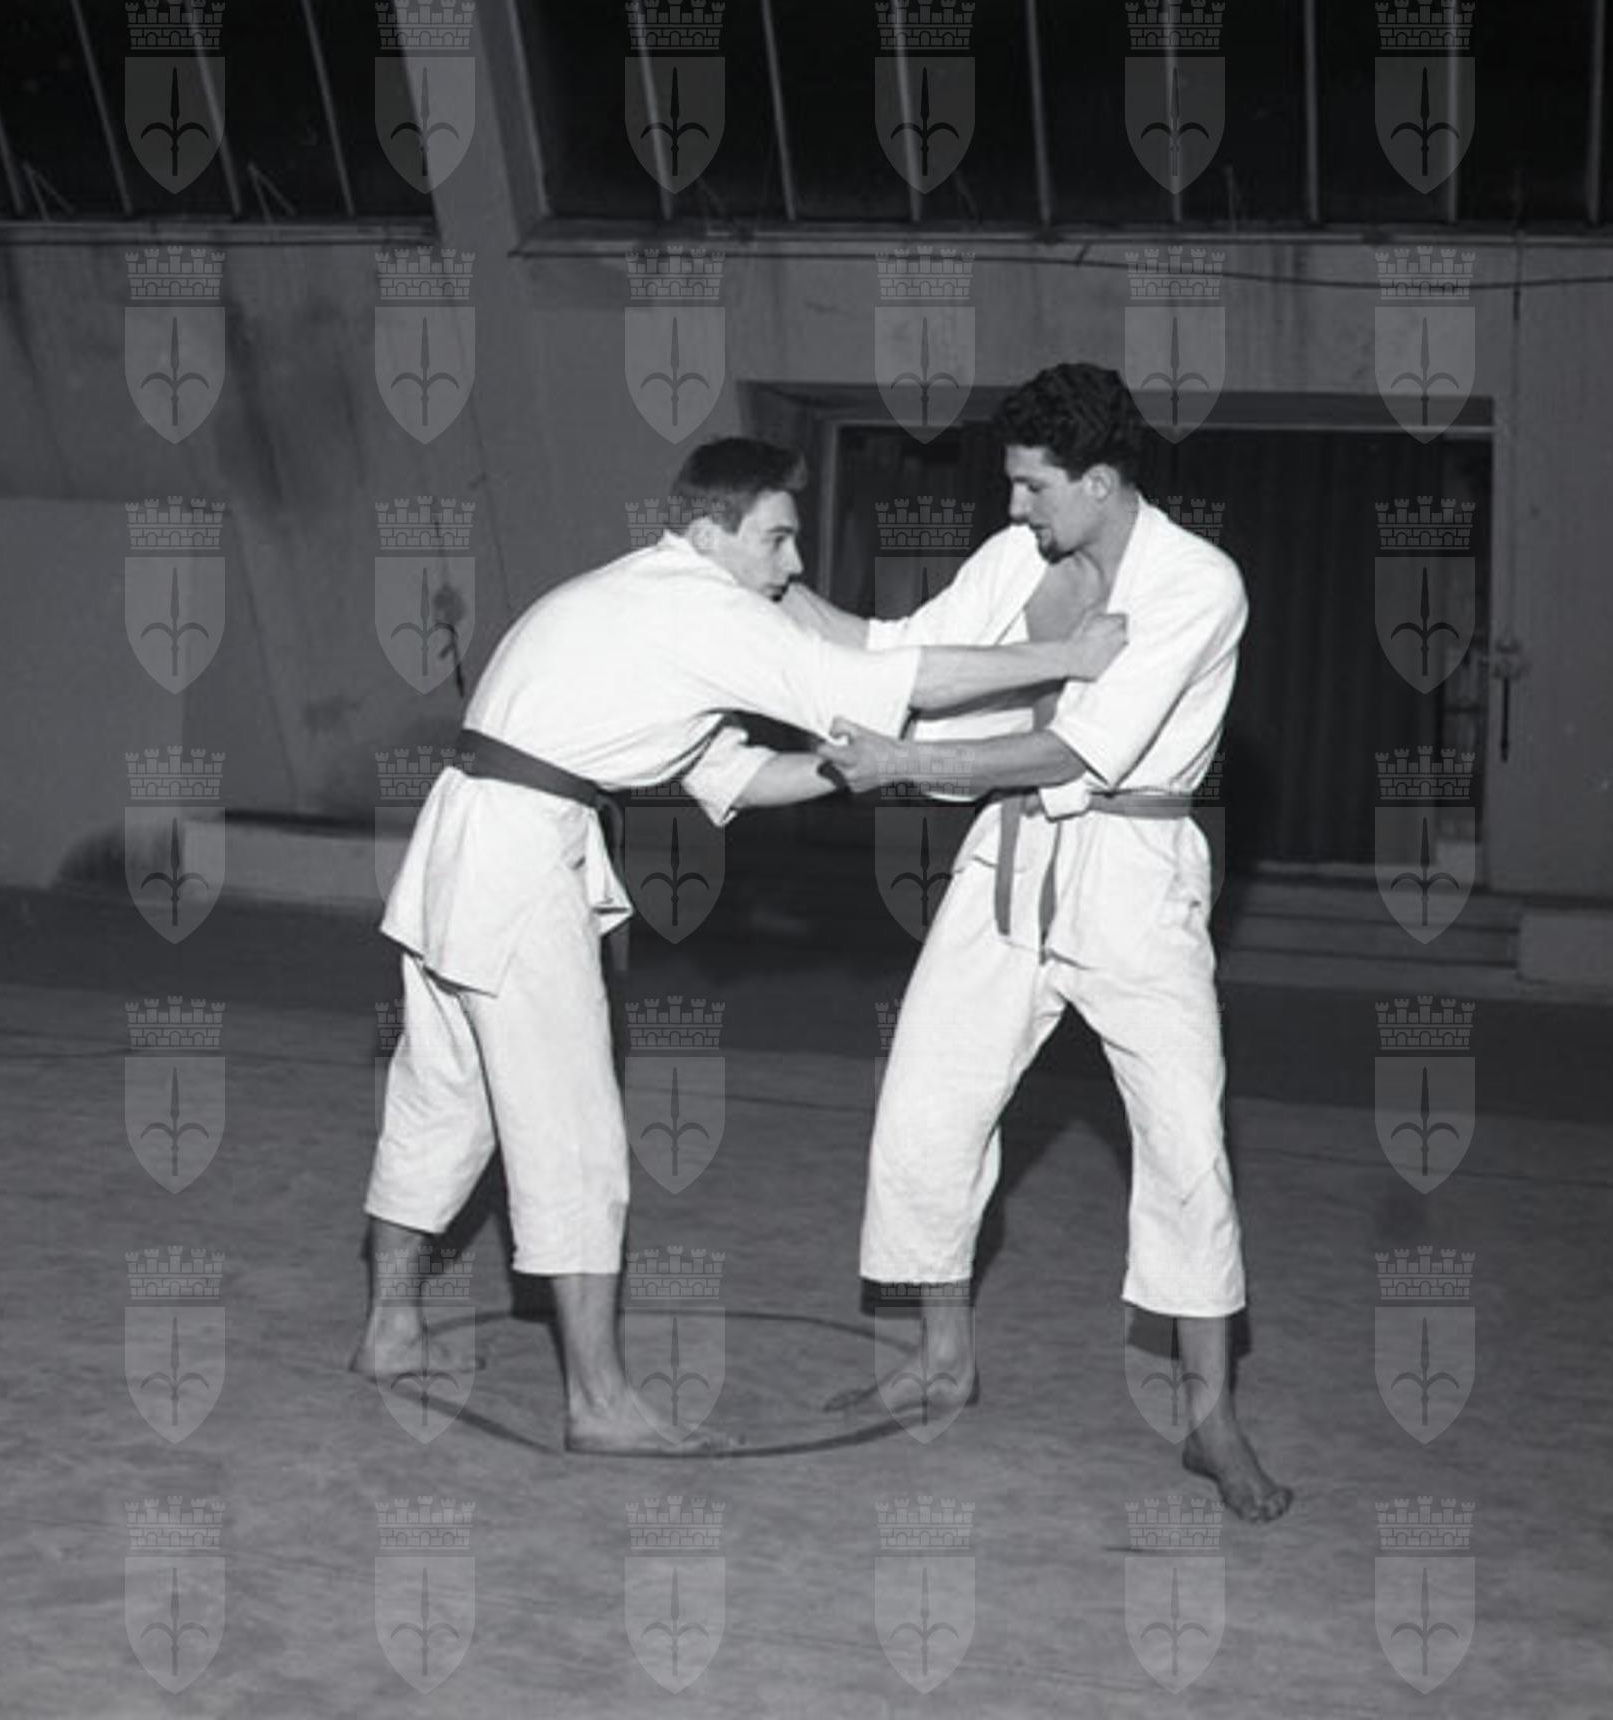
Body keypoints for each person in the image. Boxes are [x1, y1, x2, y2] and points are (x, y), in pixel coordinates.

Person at [354, 436, 1127, 1456]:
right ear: (709, 532)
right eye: (775, 539)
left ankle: (391, 1325)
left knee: (442, 1099)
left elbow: (733, 773)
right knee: (572, 1135)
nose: (792, 565)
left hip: (466, 843)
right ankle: (597, 1403)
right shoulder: (701, 609)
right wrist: (1066, 658)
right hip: (514, 863)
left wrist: (874, 766)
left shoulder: (634, 601)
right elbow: (887, 676)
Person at [796, 364, 1291, 1522]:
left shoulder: (1195, 583)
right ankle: (942, 1357)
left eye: (1033, 485)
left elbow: (1079, 748)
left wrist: (903, 762)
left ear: (1100, 479)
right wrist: (768, 593)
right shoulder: (1014, 558)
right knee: (927, 1102)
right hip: (1006, 860)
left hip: (1134, 871)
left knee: (1184, 1140)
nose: (1014, 505)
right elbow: (898, 652)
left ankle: (1211, 1417)